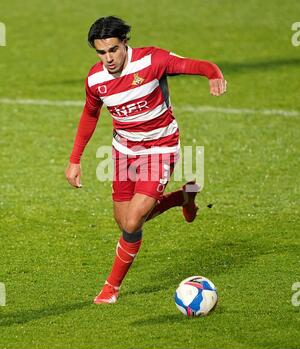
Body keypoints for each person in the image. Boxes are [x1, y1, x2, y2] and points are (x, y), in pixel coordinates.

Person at [65, 16, 227, 304]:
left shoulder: (153, 60)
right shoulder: (95, 79)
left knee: (133, 220)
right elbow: (90, 114)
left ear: (125, 42)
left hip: (159, 148)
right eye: (101, 52)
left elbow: (195, 65)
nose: (108, 58)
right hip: (124, 151)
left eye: (113, 50)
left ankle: (110, 288)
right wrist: (75, 159)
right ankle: (182, 198)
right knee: (125, 221)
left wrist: (213, 74)